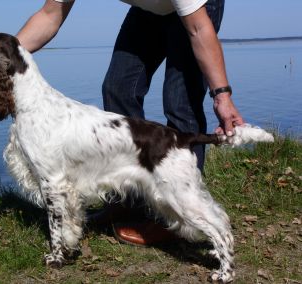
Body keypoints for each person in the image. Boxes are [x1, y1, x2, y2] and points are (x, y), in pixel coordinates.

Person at [16, 0, 244, 245]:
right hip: (150, 10)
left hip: (196, 10)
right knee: (118, 88)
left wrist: (222, 95)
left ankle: (178, 217)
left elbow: (198, 28)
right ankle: (128, 201)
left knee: (180, 102)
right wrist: (3, 52)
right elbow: (50, 15)